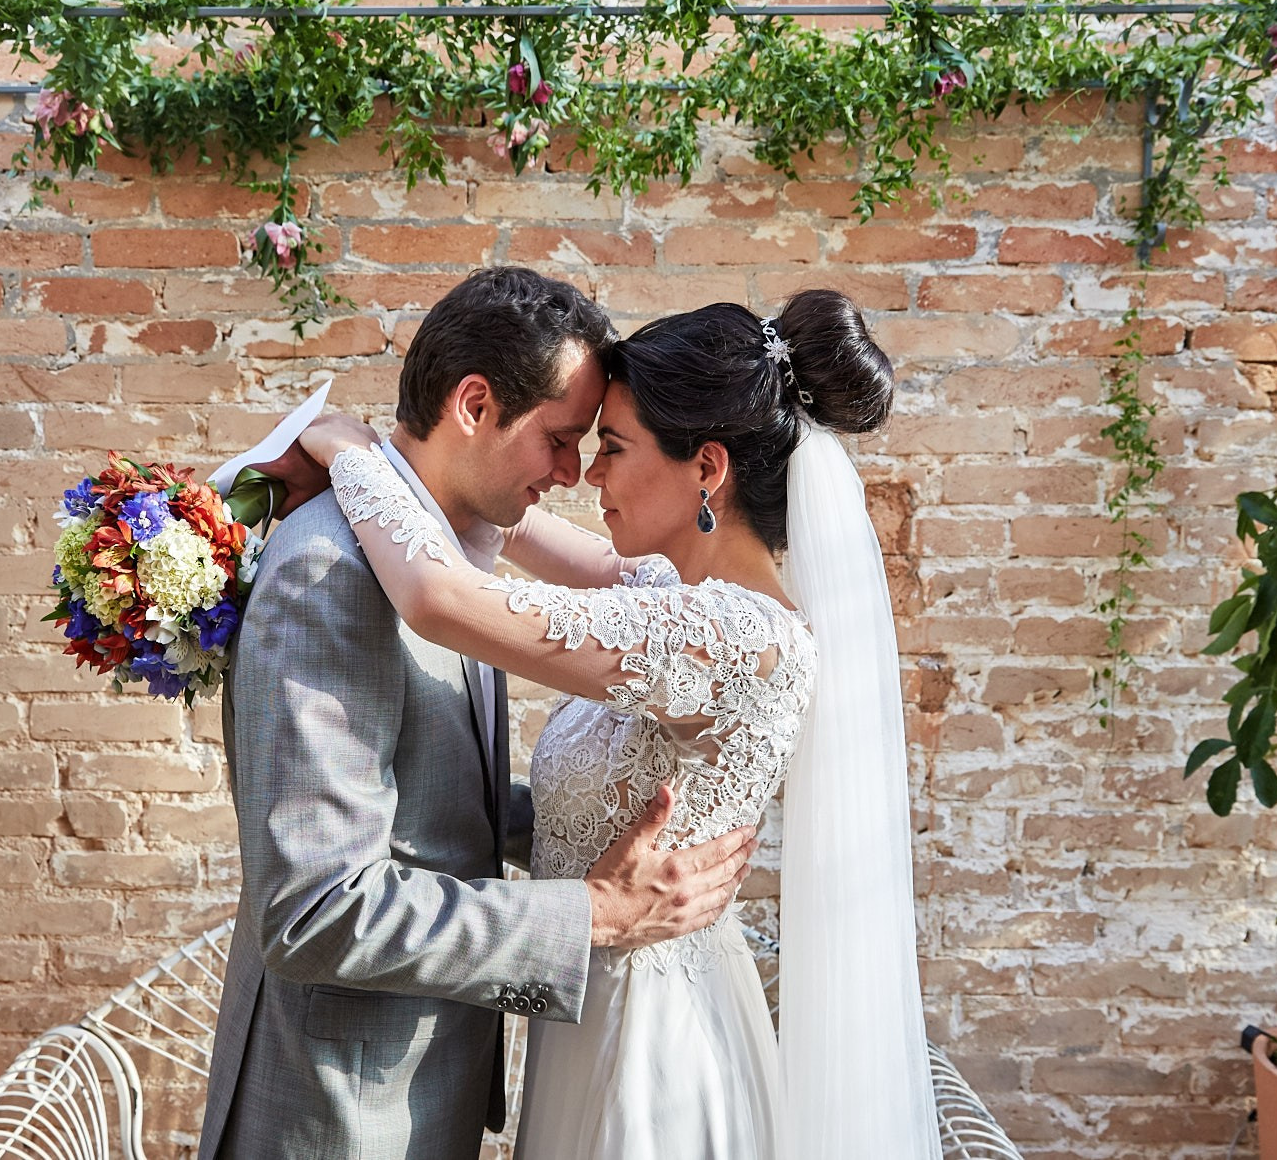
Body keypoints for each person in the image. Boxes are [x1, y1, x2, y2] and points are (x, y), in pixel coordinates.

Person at [297, 288, 942, 1160]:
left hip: (655, 1045)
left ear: (706, 468)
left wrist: (346, 446)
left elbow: (440, 598)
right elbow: (523, 521)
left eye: (612, 447)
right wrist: (450, 461)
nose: (586, 474)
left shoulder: (734, 639)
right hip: (595, 1000)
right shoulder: (671, 595)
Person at [199, 267, 761, 1160]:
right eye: (561, 439)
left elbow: (438, 795)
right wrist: (593, 914)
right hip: (341, 1115)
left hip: (422, 1094)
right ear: (473, 403)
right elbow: (316, 910)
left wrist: (593, 821)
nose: (575, 472)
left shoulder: (444, 553)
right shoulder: (332, 575)